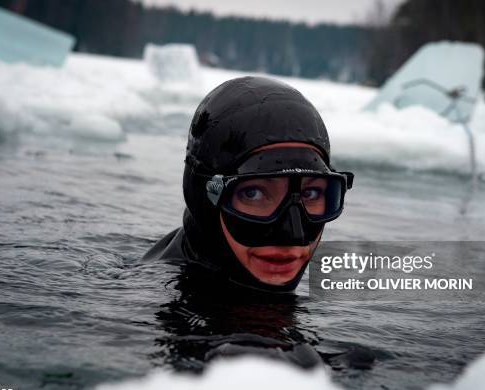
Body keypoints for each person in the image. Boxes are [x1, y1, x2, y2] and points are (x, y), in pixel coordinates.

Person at [143, 76, 353, 293]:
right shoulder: (143, 305)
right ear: (203, 198)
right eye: (253, 193)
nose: (294, 234)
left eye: (311, 193)